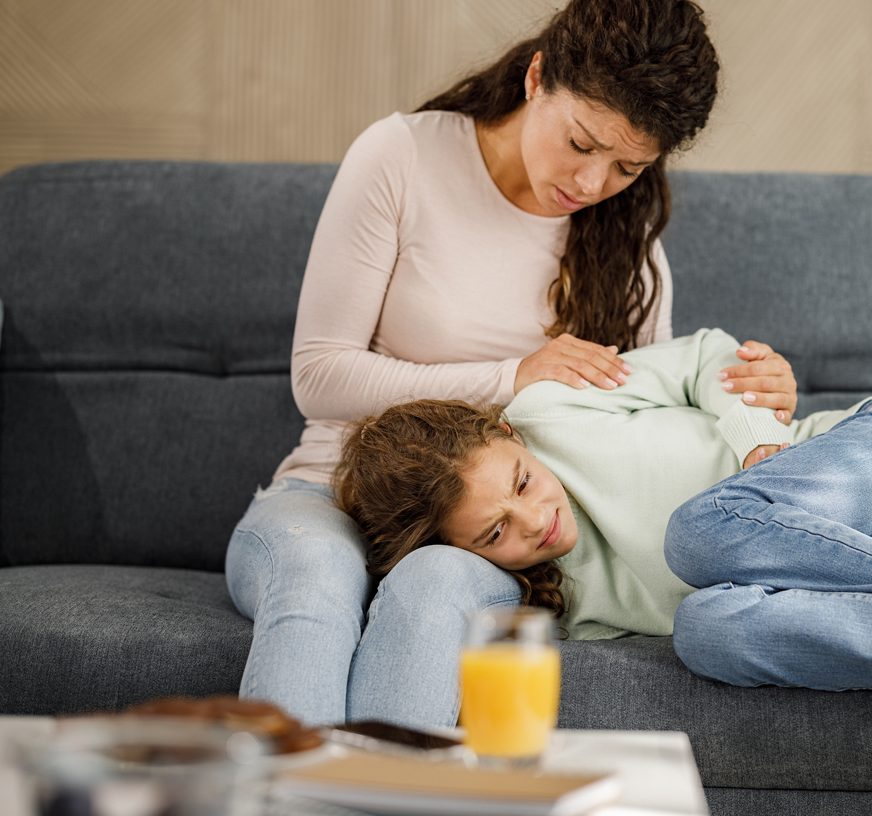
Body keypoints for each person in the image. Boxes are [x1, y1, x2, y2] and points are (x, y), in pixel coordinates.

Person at [225, 0, 800, 728]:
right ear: (536, 79)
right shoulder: (404, 157)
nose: (592, 186)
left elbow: (648, 419)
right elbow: (320, 376)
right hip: (329, 495)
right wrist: (513, 375)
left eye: (628, 166)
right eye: (581, 144)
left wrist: (755, 388)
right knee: (316, 577)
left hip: (494, 540)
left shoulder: (630, 250)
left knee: (435, 583)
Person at [334, 329, 872, 768]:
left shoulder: (555, 405)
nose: (534, 518)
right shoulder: (559, 603)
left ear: (505, 436)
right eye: (494, 536)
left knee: (695, 534)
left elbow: (710, 360)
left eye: (520, 482)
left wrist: (757, 447)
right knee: (707, 630)